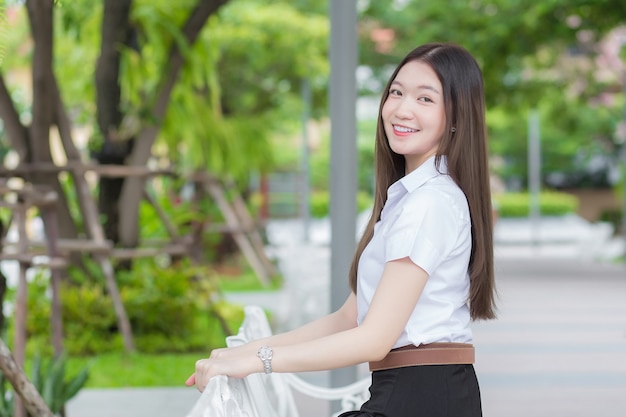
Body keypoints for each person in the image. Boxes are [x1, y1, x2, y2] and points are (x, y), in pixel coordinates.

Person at [186, 42, 497, 417]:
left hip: (422, 396)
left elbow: (373, 340)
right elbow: (347, 318)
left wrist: (259, 361)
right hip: (415, 392)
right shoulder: (408, 198)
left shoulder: (429, 202)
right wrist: (247, 352)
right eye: (396, 92)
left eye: (425, 99)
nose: (402, 109)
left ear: (457, 117)